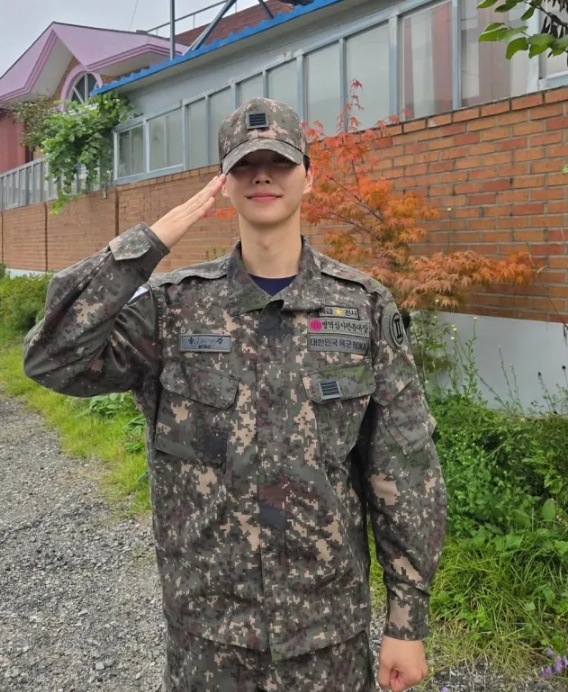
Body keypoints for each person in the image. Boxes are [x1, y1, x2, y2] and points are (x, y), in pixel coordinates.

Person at [23, 97, 446, 692]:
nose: (262, 176)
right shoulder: (172, 309)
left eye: (279, 162)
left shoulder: (363, 307)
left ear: (308, 177)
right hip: (209, 639)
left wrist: (407, 621)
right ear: (224, 183)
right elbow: (51, 357)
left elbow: (404, 467)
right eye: (245, 165)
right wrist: (148, 244)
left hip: (327, 637)